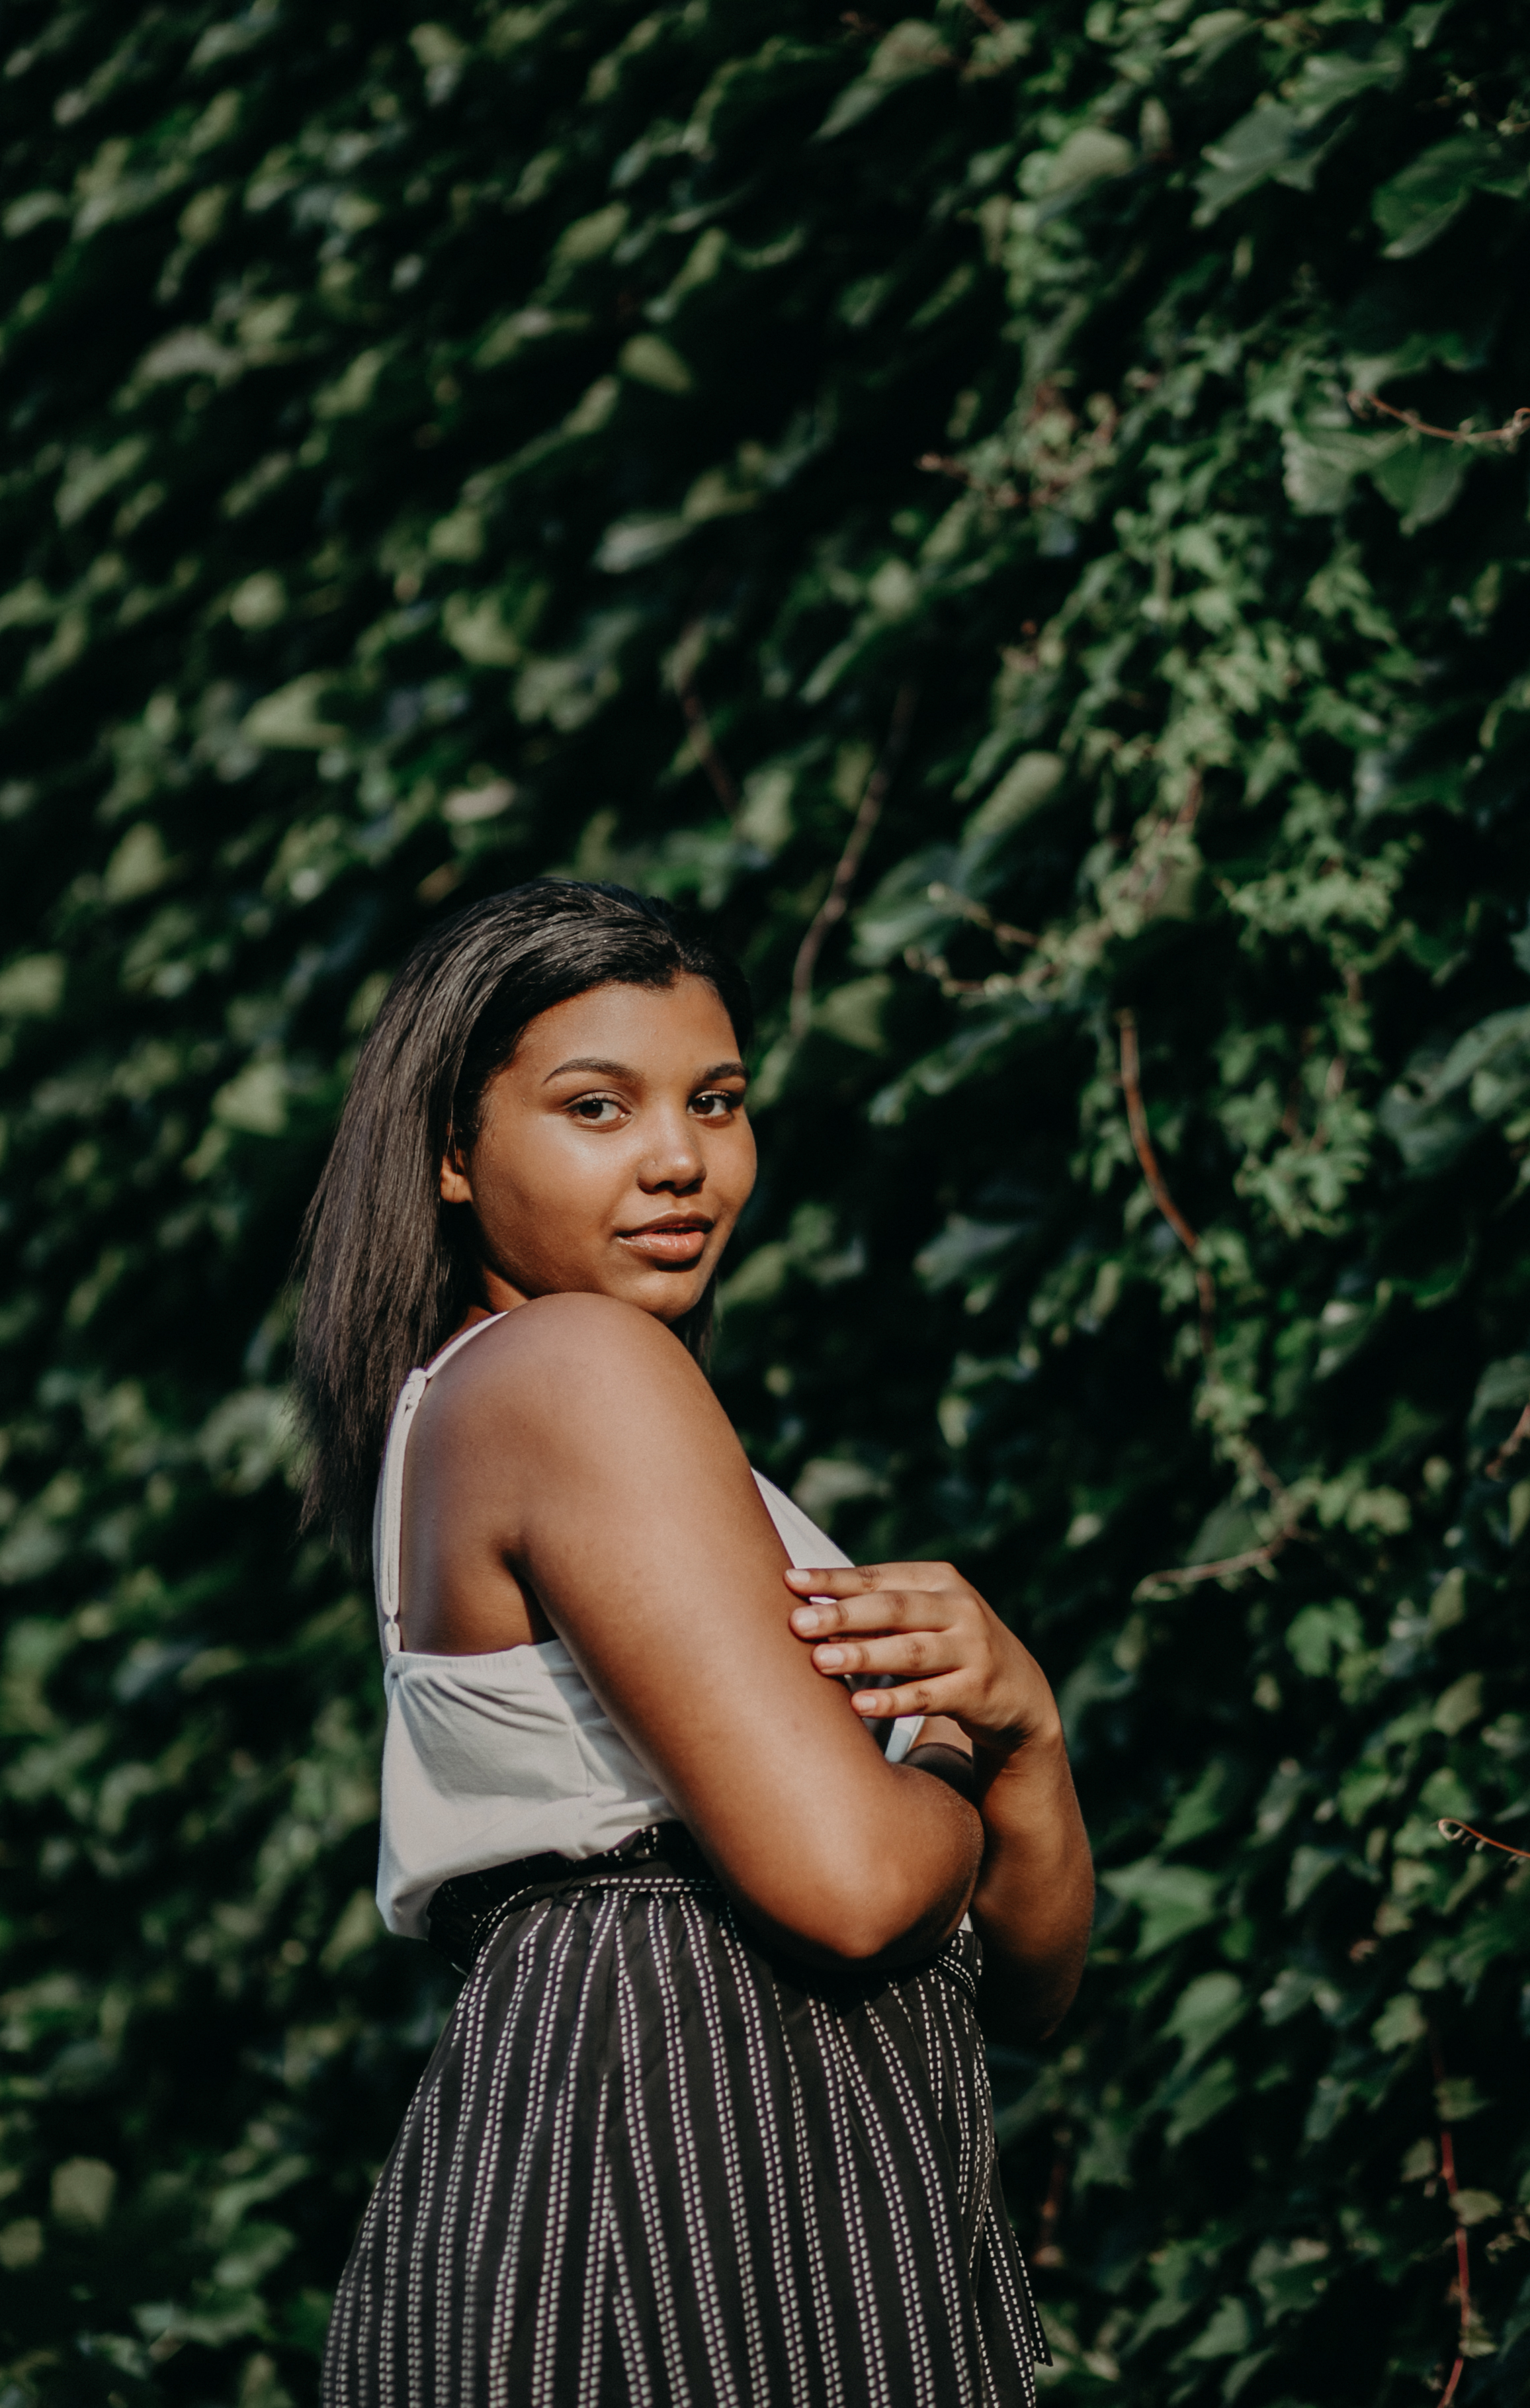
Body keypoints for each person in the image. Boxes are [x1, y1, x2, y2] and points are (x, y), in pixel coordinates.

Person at [296, 879, 1092, 2408]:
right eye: (597, 1106)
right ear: (453, 1154)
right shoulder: (572, 1362)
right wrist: (948, 1736)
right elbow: (858, 1888)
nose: (680, 1158)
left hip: (732, 2158)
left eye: (715, 1100)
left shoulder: (554, 1397)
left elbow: (1022, 1988)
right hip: (667, 2161)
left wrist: (1024, 1723)